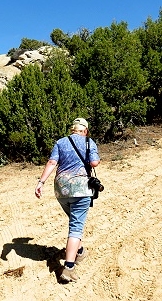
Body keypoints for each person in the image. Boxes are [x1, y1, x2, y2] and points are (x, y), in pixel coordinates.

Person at [35, 117, 101, 283]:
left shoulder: (61, 142)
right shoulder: (88, 142)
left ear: (72, 129)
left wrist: (41, 182)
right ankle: (69, 268)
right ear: (84, 130)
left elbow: (51, 162)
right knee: (76, 227)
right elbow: (94, 163)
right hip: (80, 188)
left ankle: (79, 252)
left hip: (61, 189)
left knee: (74, 221)